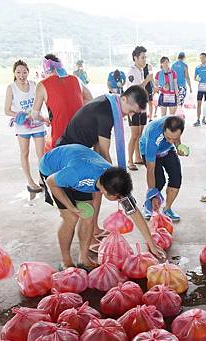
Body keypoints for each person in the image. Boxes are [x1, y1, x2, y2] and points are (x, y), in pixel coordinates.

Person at [39, 144, 166, 269]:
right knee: (71, 218)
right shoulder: (77, 176)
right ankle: (66, 260)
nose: (119, 201)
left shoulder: (113, 179)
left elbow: (134, 212)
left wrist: (152, 244)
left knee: (88, 214)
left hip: (76, 162)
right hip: (51, 170)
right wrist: (70, 207)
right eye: (117, 198)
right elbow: (51, 182)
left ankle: (83, 258)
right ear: (105, 192)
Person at [55, 86, 149, 250]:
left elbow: (99, 147)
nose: (131, 116)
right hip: (68, 159)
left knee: (97, 190)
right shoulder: (106, 113)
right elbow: (104, 153)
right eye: (132, 111)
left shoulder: (110, 102)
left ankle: (94, 230)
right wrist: (117, 184)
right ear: (124, 99)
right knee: (83, 207)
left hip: (81, 153)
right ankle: (87, 240)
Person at [32, 54, 93, 149]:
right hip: (81, 136)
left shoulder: (42, 84)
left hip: (60, 139)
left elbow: (34, 114)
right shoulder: (76, 79)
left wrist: (45, 119)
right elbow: (90, 100)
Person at [4, 60, 46, 193]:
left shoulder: (35, 85)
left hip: (38, 125)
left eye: (24, 72)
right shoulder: (11, 88)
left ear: (28, 72)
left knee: (42, 154)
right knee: (25, 153)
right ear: (14, 73)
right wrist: (21, 115)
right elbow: (7, 110)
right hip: (23, 127)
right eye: (18, 72)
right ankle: (30, 181)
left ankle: (42, 178)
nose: (21, 75)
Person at [140, 116, 186, 221]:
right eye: (168, 137)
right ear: (163, 129)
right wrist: (152, 194)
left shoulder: (177, 125)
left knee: (176, 178)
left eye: (174, 138)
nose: (171, 141)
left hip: (167, 150)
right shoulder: (153, 135)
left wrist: (178, 145)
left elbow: (175, 139)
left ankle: (167, 208)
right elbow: (150, 170)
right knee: (159, 181)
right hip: (150, 152)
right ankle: (148, 205)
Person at [125, 46, 154, 171]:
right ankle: (130, 160)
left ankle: (138, 157)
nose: (144, 60)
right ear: (135, 58)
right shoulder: (132, 71)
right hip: (133, 107)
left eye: (145, 57)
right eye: (142, 57)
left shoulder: (141, 70)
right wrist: (147, 80)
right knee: (134, 135)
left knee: (140, 134)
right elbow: (135, 90)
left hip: (142, 106)